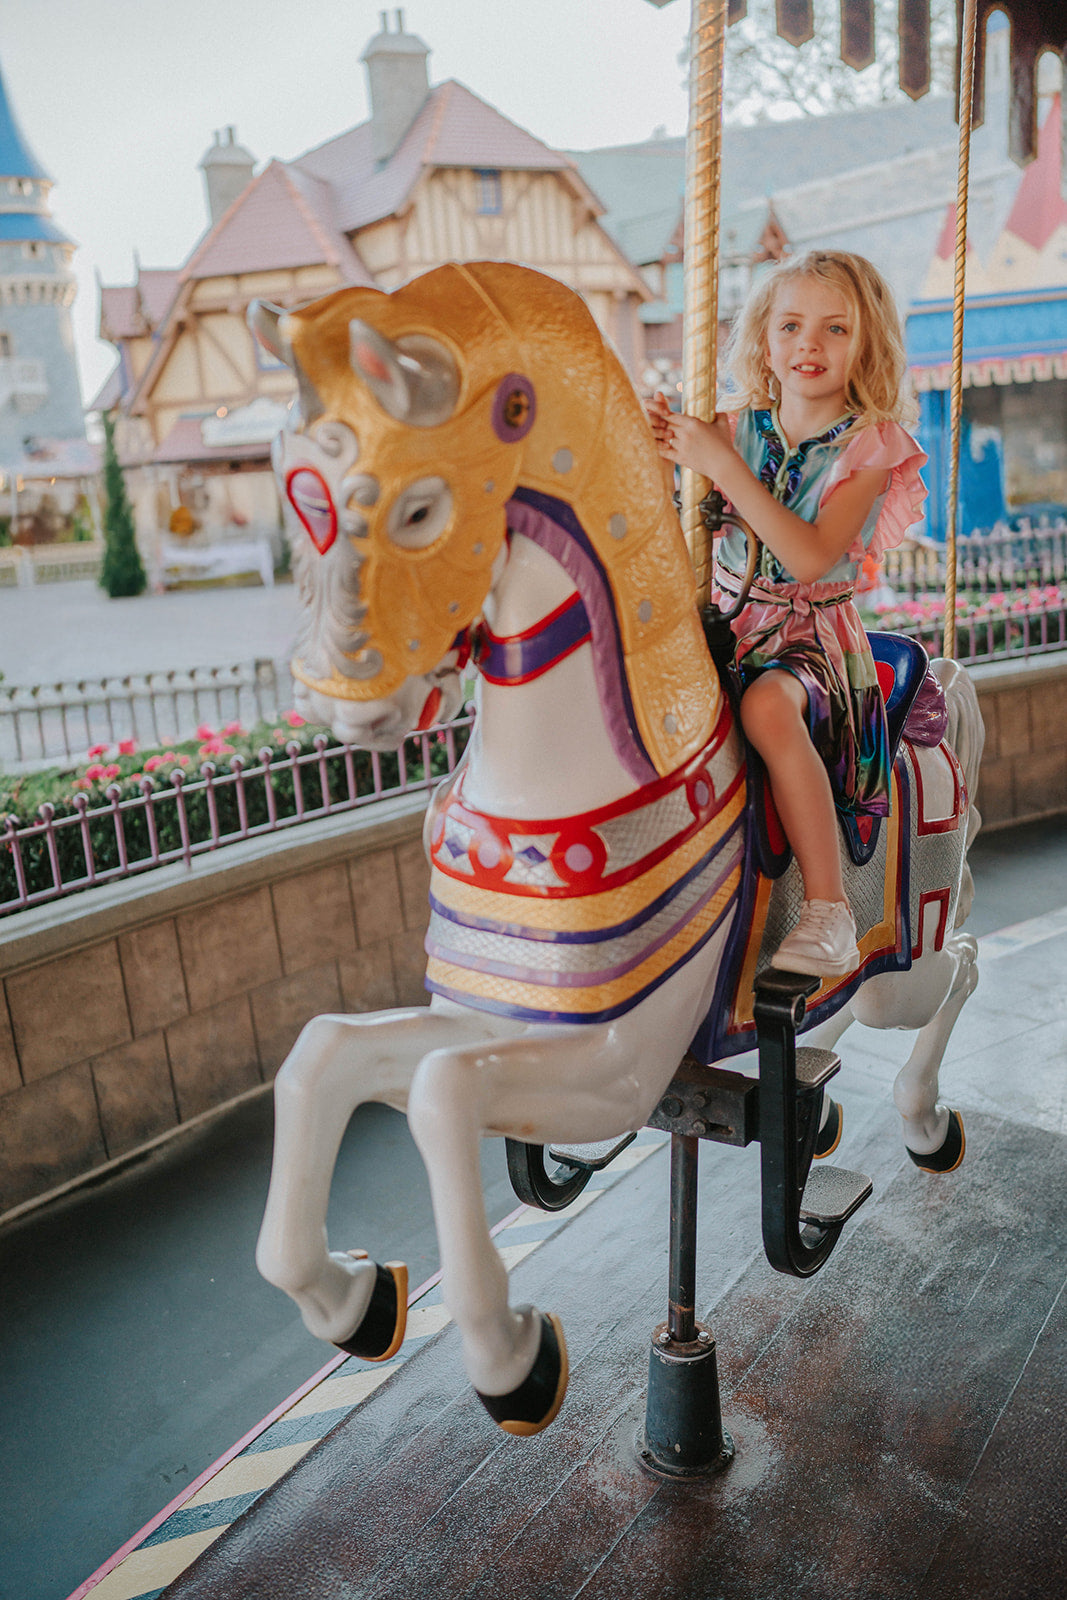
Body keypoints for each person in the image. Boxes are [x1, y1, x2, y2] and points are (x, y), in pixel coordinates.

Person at [646, 250, 927, 979]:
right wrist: (660, 447)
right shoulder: (733, 428)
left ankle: (827, 910)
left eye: (835, 329)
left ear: (866, 345)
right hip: (726, 626)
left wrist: (718, 461)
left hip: (813, 645)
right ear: (764, 342)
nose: (809, 344)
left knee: (768, 710)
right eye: (791, 326)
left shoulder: (869, 445)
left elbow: (808, 558)